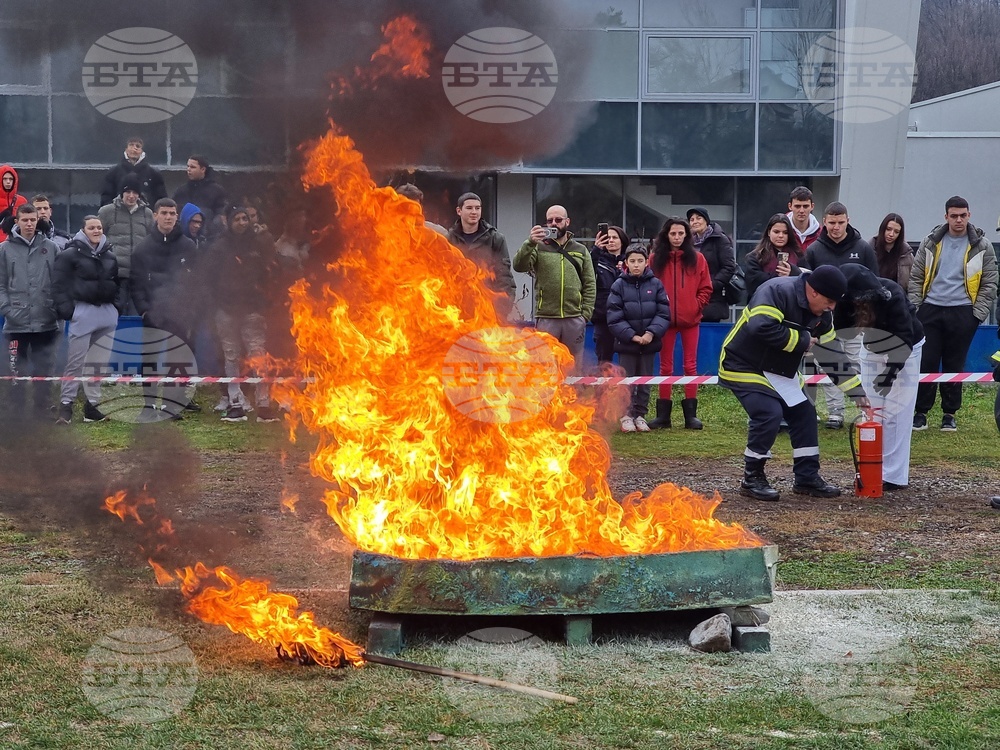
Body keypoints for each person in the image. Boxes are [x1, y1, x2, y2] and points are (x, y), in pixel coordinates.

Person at [719, 265, 866, 501]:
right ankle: (752, 477)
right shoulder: (776, 291)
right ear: (814, 291)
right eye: (829, 301)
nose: (832, 308)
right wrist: (803, 340)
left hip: (780, 371)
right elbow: (760, 326)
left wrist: (857, 393)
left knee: (805, 413)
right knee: (769, 413)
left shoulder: (823, 315)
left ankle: (806, 477)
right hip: (742, 364)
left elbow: (831, 355)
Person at [909, 196, 998, 431]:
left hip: (963, 312)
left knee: (954, 364)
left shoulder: (983, 245)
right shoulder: (930, 242)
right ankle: (921, 413)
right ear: (946, 216)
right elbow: (916, 277)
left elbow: (989, 282)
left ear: (969, 215)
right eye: (954, 216)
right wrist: (917, 308)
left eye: (963, 215)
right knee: (926, 361)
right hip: (929, 310)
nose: (959, 220)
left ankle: (949, 414)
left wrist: (976, 314)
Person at [835, 264, 924, 490]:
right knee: (871, 411)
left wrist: (890, 374)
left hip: (907, 346)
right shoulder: (844, 300)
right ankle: (871, 468)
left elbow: (904, 338)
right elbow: (840, 329)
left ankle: (893, 476)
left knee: (897, 413)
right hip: (872, 348)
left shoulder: (892, 295)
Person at [804, 201, 879, 429]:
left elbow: (874, 282)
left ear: (848, 221)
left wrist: (868, 315)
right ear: (824, 222)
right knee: (829, 366)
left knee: (856, 364)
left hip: (856, 319)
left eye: (840, 222)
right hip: (825, 319)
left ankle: (862, 410)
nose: (836, 227)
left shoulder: (863, 248)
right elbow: (807, 286)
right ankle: (835, 412)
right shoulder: (814, 250)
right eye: (832, 223)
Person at [204, 206, 279, 423]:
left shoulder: (258, 245)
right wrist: (217, 304)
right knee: (231, 356)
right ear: (229, 221)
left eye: (245, 218)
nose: (242, 222)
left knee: (258, 356)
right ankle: (235, 403)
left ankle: (263, 405)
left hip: (253, 309)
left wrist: (263, 301)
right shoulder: (219, 247)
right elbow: (209, 279)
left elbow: (269, 273)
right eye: (237, 219)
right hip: (226, 310)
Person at [131, 199, 200, 422]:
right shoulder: (142, 248)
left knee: (177, 361)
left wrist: (189, 311)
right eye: (164, 213)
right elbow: (136, 284)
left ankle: (172, 406)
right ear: (155, 215)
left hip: (179, 315)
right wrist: (144, 311)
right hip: (152, 314)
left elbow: (196, 282)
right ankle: (149, 406)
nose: (168, 217)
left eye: (172, 213)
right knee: (149, 360)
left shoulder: (188, 246)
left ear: (177, 216)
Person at [52, 216, 120, 424]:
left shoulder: (110, 255)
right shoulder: (68, 255)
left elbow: (117, 282)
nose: (96, 231)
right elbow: (58, 285)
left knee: (98, 363)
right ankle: (66, 406)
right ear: (83, 230)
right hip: (83, 311)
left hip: (107, 312)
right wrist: (69, 312)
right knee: (75, 362)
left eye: (99, 227)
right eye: (92, 228)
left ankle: (92, 406)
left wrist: (116, 307)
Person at [648, 217, 712, 430]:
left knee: (690, 366)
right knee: (665, 367)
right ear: (666, 235)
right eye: (673, 233)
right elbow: (648, 287)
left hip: (690, 320)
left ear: (687, 235)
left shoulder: (698, 259)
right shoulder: (654, 259)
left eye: (680, 233)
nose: (676, 237)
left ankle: (691, 416)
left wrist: (696, 306)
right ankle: (663, 416)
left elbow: (706, 287)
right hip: (664, 321)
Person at [513, 205, 596, 369]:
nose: (553, 224)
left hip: (574, 318)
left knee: (573, 367)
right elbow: (519, 266)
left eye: (558, 220)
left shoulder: (580, 250)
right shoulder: (538, 247)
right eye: (549, 220)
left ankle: (573, 388)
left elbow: (590, 283)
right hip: (546, 318)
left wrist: (585, 315)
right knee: (546, 366)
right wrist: (530, 243)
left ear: (567, 221)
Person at [0, 204, 59, 418]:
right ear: (17, 222)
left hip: (46, 320)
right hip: (16, 322)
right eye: (24, 220)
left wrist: (54, 307)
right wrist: (7, 309)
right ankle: (16, 411)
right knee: (16, 370)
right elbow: (0, 284)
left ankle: (42, 409)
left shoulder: (51, 247)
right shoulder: (4, 249)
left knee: (44, 369)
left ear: (38, 221)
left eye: (33, 220)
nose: (29, 224)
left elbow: (59, 281)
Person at [606, 244, 670, 432]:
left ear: (646, 262)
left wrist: (650, 333)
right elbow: (614, 316)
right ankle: (626, 416)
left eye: (640, 261)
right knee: (626, 382)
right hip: (627, 344)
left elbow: (663, 313)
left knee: (645, 381)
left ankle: (640, 415)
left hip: (649, 343)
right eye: (632, 261)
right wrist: (632, 336)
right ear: (626, 263)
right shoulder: (618, 285)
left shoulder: (656, 284)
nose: (636, 265)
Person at [98, 174, 154, 315]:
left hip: (139, 275)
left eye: (135, 192)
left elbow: (152, 240)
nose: (131, 196)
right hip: (116, 275)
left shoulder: (147, 214)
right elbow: (97, 238)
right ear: (121, 193)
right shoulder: (107, 212)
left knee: (138, 314)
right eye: (128, 192)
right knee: (116, 313)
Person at [447, 192, 515, 306]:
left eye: (477, 208)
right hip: (455, 305)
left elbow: (504, 274)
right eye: (469, 208)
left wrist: (504, 304)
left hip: (486, 304)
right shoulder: (449, 238)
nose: (474, 212)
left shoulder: (495, 238)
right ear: (459, 211)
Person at [686, 207, 737, 323]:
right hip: (691, 298)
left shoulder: (719, 239)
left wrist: (711, 285)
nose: (695, 222)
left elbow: (729, 267)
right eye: (692, 220)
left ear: (706, 220)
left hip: (713, 299)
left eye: (699, 218)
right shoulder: (687, 242)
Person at [590, 225, 628, 364]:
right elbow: (586, 272)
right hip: (603, 318)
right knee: (604, 362)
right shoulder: (597, 260)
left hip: (626, 319)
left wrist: (624, 270)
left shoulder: (630, 261)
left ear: (622, 241)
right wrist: (596, 250)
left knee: (627, 360)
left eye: (615, 237)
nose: (611, 240)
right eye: (608, 237)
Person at [745, 213, 806, 300]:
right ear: (769, 232)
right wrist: (779, 278)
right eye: (776, 232)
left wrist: (793, 272)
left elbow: (807, 280)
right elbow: (752, 285)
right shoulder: (755, 257)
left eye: (785, 233)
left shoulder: (799, 255)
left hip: (791, 303)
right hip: (763, 302)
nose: (781, 236)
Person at [99, 136, 167, 208]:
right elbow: (106, 197)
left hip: (146, 213)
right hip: (118, 213)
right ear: (126, 149)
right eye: (131, 145)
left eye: (138, 146)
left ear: (142, 151)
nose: (134, 148)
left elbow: (161, 199)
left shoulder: (154, 173)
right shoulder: (114, 172)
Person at [172, 155, 227, 232]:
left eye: (192, 167)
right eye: (188, 166)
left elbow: (221, 214)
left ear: (203, 169)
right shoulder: (181, 191)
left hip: (208, 234)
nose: (188, 169)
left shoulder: (217, 191)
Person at [871, 213, 912, 291]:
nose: (891, 234)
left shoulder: (906, 254)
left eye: (896, 232)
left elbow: (913, 281)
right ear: (882, 228)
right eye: (888, 229)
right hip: (874, 295)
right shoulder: (869, 249)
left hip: (898, 295)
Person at [786, 186, 822, 254]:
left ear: (812, 206)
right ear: (790, 206)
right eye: (797, 206)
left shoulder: (821, 234)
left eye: (805, 206)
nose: (801, 211)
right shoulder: (781, 230)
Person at [0, 165, 28, 243]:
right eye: (5, 179)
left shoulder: (22, 201)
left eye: (11, 179)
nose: (8, 182)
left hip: (16, 242)